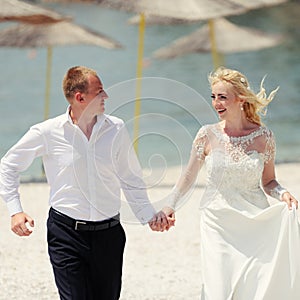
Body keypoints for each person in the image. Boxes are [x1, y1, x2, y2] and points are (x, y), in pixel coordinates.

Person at [0, 66, 170, 300]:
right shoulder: (47, 132)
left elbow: (130, 176)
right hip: (65, 234)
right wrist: (15, 211)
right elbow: (8, 165)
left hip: (109, 234)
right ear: (80, 98)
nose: (106, 96)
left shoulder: (116, 128)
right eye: (99, 91)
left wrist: (148, 215)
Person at [150, 67, 300, 299]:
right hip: (217, 221)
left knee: (253, 287)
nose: (216, 103)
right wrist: (170, 206)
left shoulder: (264, 137)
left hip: (255, 222)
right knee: (218, 288)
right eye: (213, 97)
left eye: (222, 97)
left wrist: (283, 194)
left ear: (240, 99)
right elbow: (188, 177)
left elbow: (269, 181)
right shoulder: (206, 135)